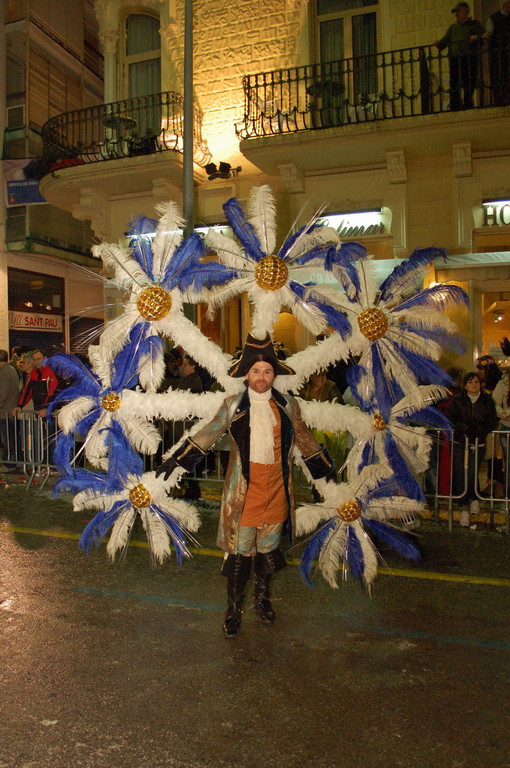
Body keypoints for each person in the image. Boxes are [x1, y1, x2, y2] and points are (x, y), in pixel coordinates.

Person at [155, 334, 335, 638]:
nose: (261, 377)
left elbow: (304, 439)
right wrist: (176, 460)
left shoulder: (288, 405)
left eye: (267, 371)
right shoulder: (233, 405)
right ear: (246, 375)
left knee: (267, 551)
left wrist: (325, 473)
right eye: (255, 372)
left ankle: (262, 600)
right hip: (244, 492)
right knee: (240, 557)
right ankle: (233, 609)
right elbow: (208, 433)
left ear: (273, 375)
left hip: (277, 489)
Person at [448, 372, 498, 527]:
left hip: (478, 441)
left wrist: (479, 431)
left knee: (472, 472)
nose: (474, 385)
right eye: (470, 382)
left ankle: (474, 498)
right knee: (460, 472)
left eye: (476, 382)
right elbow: (451, 419)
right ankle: (463, 506)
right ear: (465, 385)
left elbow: (491, 421)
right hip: (460, 442)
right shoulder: (457, 400)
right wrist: (464, 429)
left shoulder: (487, 401)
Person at [435, 2, 484, 111]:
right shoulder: (453, 27)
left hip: (469, 57)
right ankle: (455, 105)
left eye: (458, 11)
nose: (456, 14)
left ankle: (467, 103)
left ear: (465, 10)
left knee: (469, 81)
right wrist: (438, 44)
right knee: (454, 82)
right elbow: (445, 41)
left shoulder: (474, 24)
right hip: (455, 58)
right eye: (455, 12)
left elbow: (483, 37)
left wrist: (475, 38)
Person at [485, 0, 510, 106]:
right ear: (505, 4)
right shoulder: (493, 18)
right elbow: (488, 35)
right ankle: (500, 100)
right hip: (498, 54)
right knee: (499, 76)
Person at [0, 350, 21, 472]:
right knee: (12, 438)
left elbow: (2, 394)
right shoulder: (10, 370)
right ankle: (16, 461)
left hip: (5, 411)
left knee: (7, 439)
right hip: (8, 410)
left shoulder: (5, 373)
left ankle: (9, 463)